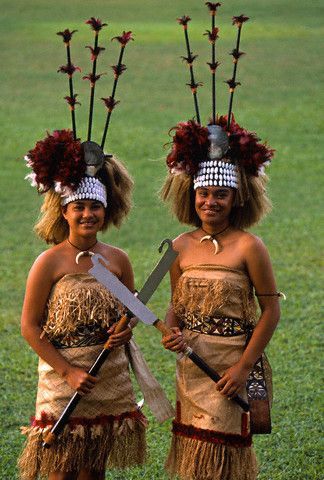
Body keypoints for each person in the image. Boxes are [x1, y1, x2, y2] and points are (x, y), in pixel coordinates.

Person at [159, 9, 284, 479]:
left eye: (221, 194)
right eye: (204, 193)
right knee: (194, 460)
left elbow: (270, 311)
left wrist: (243, 367)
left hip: (233, 366)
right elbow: (173, 303)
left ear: (237, 197)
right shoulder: (179, 245)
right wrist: (170, 329)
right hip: (192, 366)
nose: (211, 201)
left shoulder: (250, 247)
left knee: (226, 460)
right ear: (192, 196)